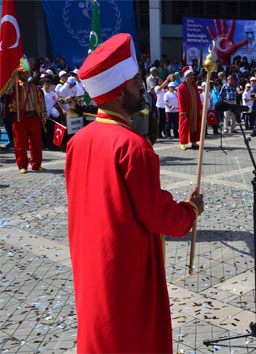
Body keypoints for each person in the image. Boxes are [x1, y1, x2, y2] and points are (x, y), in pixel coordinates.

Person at [66, 34, 204, 352]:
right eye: (135, 80)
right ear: (118, 90)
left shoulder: (78, 142)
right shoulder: (133, 146)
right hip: (124, 267)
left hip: (90, 262)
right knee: (132, 338)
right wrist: (190, 209)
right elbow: (156, 214)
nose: (141, 86)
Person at [6, 66, 47, 173]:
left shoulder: (34, 87)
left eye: (27, 73)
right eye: (22, 73)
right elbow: (6, 91)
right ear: (19, 74)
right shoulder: (14, 86)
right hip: (20, 118)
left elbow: (41, 102)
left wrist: (43, 116)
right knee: (20, 144)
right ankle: (22, 166)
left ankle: (36, 164)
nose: (25, 75)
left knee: (36, 143)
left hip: (34, 117)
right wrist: (13, 77)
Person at [177, 66, 202, 150]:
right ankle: (183, 143)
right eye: (190, 75)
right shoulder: (181, 87)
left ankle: (194, 142)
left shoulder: (194, 86)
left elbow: (198, 98)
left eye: (192, 75)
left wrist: (200, 109)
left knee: (194, 125)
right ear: (186, 76)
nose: (192, 77)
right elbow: (180, 100)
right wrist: (182, 111)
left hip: (194, 110)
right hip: (186, 110)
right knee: (184, 126)